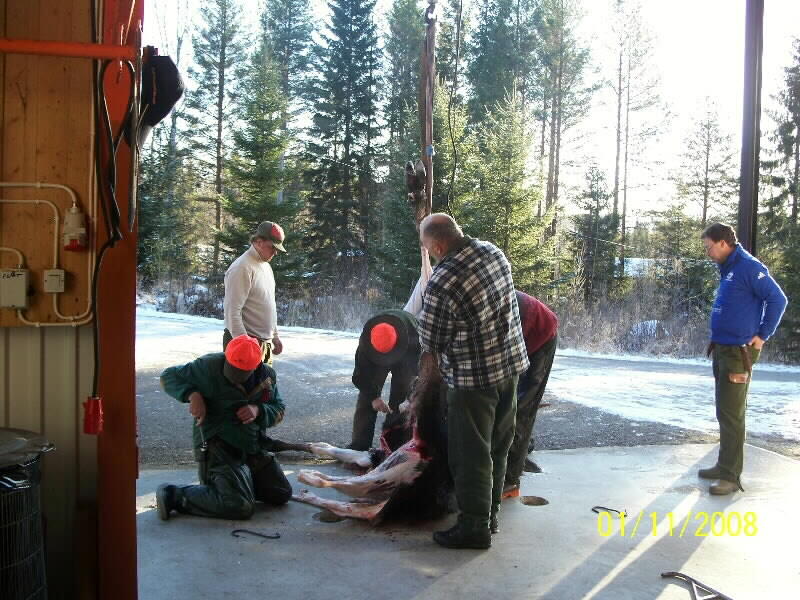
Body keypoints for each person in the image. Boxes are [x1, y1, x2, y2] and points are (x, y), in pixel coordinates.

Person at [413, 213, 529, 549]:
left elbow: (431, 340)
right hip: (509, 368)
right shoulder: (494, 252)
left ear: (438, 245)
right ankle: (489, 516)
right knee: (498, 446)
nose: (430, 253)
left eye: (427, 248)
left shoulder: (444, 279)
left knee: (471, 455)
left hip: (473, 381)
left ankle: (473, 528)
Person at [156, 335, 291, 520]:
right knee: (238, 506)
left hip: (251, 444)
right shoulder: (207, 366)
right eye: (231, 369)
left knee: (281, 493)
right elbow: (168, 376)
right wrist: (192, 394)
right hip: (218, 444)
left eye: (241, 373)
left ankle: (235, 487)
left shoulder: (267, 376)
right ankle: (173, 495)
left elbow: (279, 409)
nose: (235, 377)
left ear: (256, 366)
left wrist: (258, 410)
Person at [698, 223, 787, 495]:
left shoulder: (749, 267)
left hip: (739, 352)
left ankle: (730, 476)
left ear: (723, 243)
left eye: (709, 247)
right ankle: (724, 465)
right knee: (724, 411)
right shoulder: (729, 268)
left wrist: (762, 336)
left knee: (732, 414)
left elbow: (778, 300)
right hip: (723, 349)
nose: (708, 253)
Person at [502, 290, 558, 497]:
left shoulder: (491, 312)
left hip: (540, 336)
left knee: (521, 409)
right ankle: (522, 447)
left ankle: (509, 482)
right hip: (518, 335)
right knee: (504, 407)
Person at [348, 309, 421, 450]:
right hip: (375, 359)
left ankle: (394, 444)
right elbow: (361, 375)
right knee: (366, 399)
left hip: (406, 356)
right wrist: (374, 397)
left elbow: (417, 371)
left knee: (400, 401)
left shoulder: (415, 337)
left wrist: (409, 396)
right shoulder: (366, 343)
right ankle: (359, 445)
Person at [223, 221, 287, 364]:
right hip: (244, 345)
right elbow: (232, 311)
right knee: (246, 381)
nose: (275, 252)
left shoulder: (266, 267)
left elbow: (269, 305)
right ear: (259, 242)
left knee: (267, 379)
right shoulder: (242, 267)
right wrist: (244, 345)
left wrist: (275, 336)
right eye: (272, 247)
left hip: (264, 345)